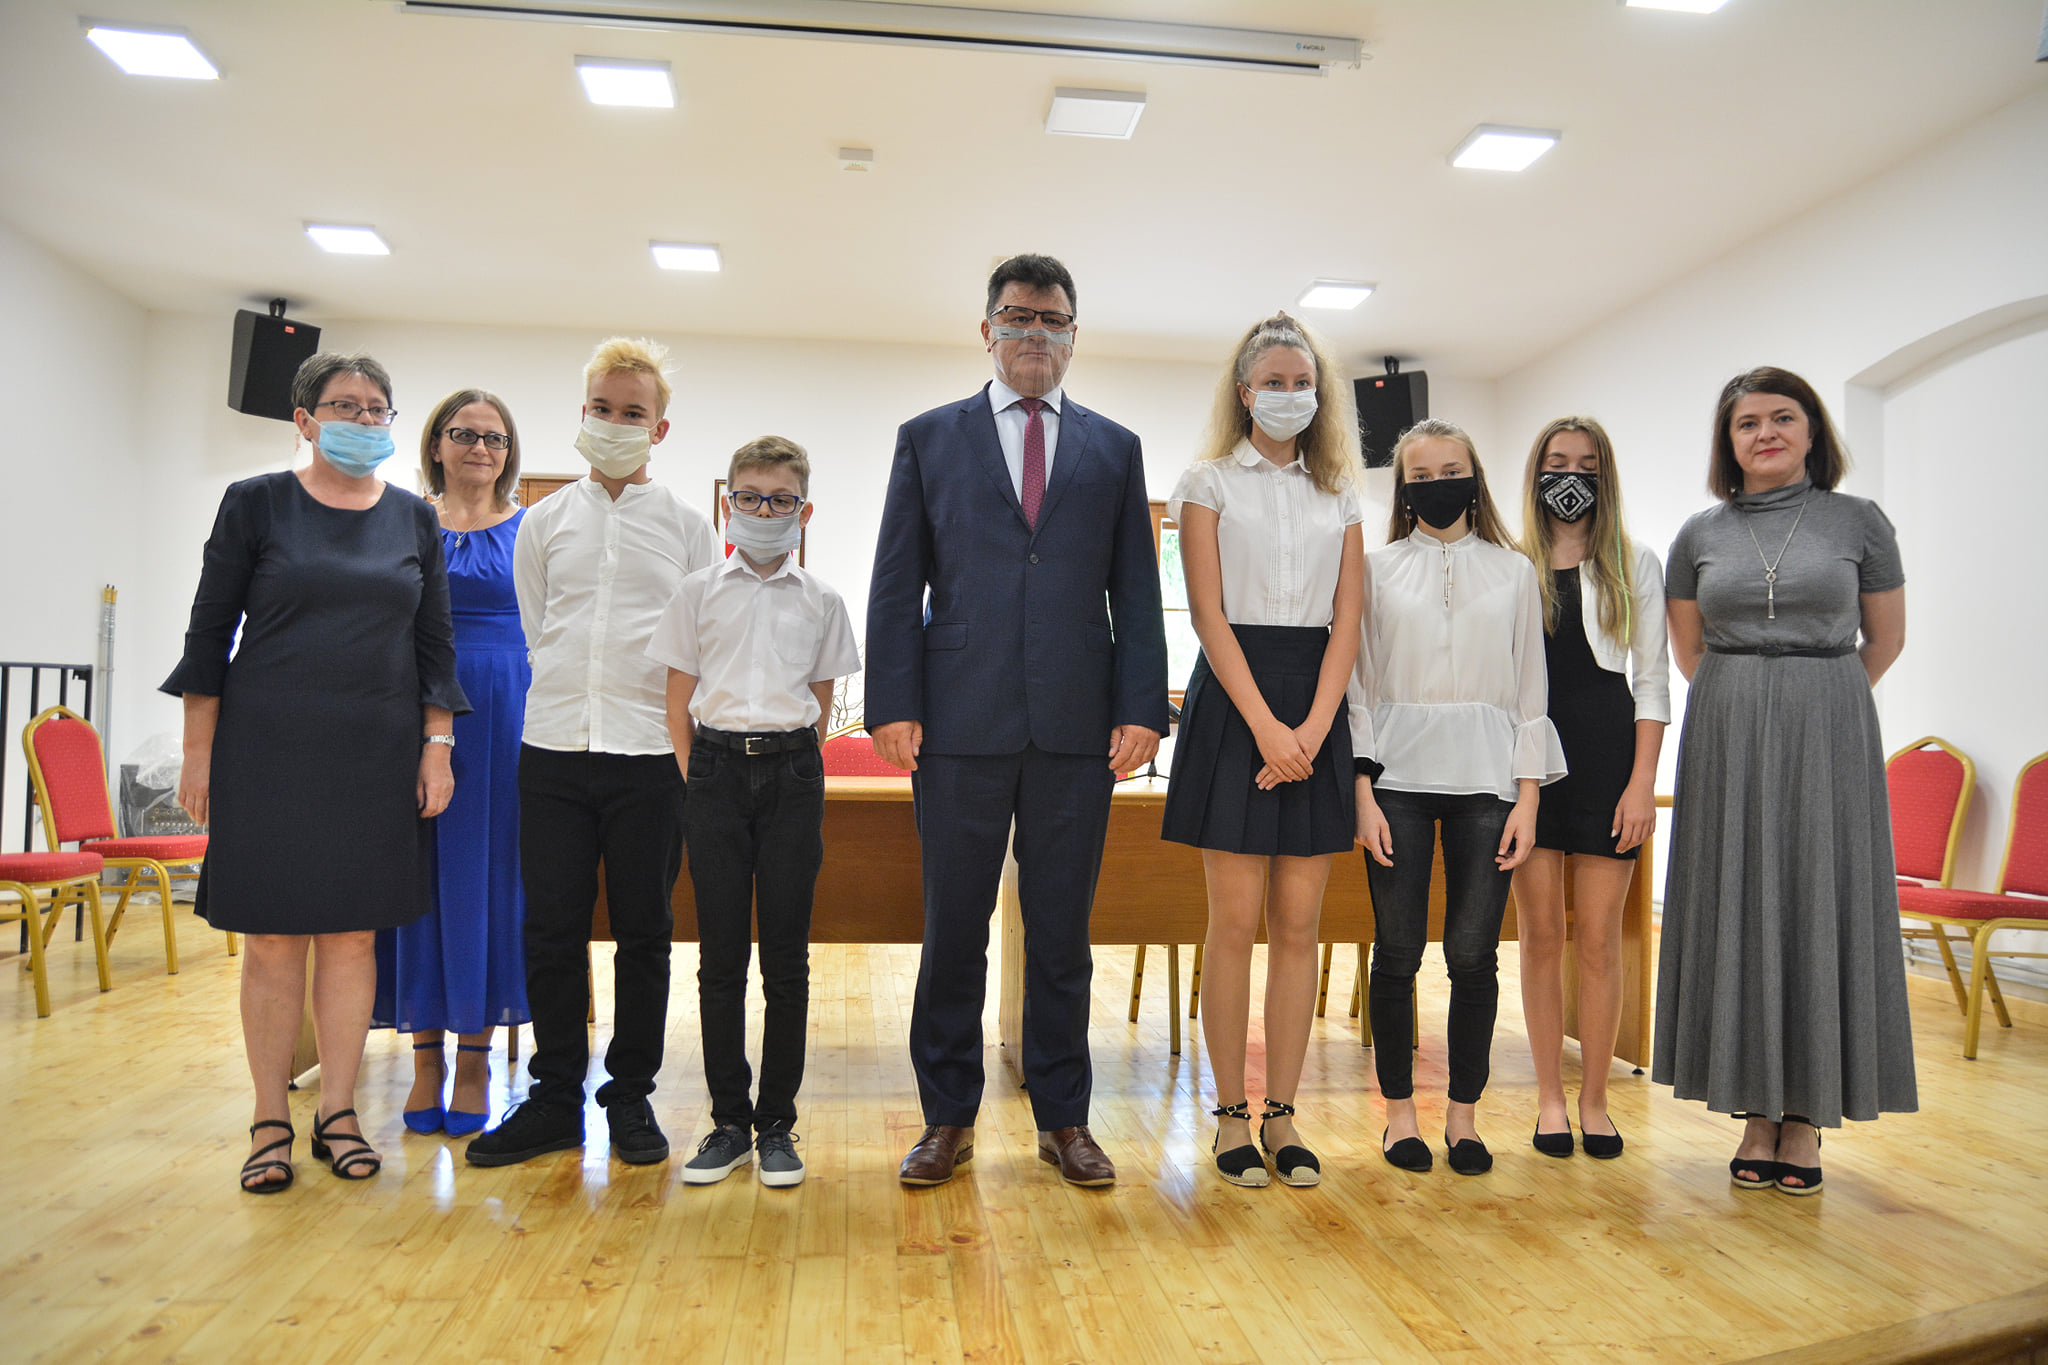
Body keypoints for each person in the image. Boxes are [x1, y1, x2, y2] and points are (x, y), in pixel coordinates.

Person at [867, 254, 1169, 1188]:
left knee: (1061, 933)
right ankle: (946, 1117)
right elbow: (896, 581)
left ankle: (1064, 1116)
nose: (1034, 333)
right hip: (958, 722)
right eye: (1017, 316)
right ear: (987, 328)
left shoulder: (1114, 449)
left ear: (1074, 335)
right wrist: (893, 703)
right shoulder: (929, 438)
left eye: (1052, 319)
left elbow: (1137, 589)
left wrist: (1141, 707)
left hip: (1077, 727)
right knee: (953, 928)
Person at [166, 351, 468, 1192]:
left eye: (378, 409)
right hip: (267, 749)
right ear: (304, 419)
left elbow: (435, 644)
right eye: (345, 406)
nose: (365, 420)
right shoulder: (255, 502)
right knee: (272, 940)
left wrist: (437, 745)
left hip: (376, 751)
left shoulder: (413, 519)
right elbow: (208, 634)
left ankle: (338, 1111)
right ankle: (270, 1115)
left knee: (352, 935)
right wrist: (198, 754)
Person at [1655, 367, 1914, 1195]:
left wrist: (1816, 701)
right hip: (1727, 726)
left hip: (1830, 724)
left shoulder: (1859, 521)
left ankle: (1802, 1116)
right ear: (1727, 441)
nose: (1764, 432)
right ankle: (1754, 1111)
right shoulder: (1699, 533)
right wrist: (1753, 701)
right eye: (1747, 422)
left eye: (1782, 417)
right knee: (1738, 903)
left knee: (1815, 900)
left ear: (1812, 431)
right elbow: (1689, 650)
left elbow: (1886, 639)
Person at [465, 337, 721, 1169]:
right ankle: (553, 1099)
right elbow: (540, 628)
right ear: (583, 412)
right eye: (602, 408)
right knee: (551, 929)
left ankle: (631, 1096)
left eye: (632, 412)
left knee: (645, 933)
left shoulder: (689, 530)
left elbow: (698, 646)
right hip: (553, 749)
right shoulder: (542, 522)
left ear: (659, 428)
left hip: (650, 755)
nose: (614, 422)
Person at [1161, 314, 1365, 1188]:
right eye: (1274, 381)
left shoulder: (1341, 493)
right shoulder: (1206, 481)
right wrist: (1268, 730)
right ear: (1245, 392)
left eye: (1302, 381)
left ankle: (1283, 1115)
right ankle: (1231, 1116)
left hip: (1316, 702)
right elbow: (1208, 617)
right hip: (1234, 700)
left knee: (1299, 925)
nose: (1289, 394)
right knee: (1234, 924)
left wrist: (1312, 730)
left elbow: (1349, 620)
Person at [1350, 418, 1566, 1176]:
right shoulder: (1375, 569)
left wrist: (1529, 798)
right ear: (1403, 488)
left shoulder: (1514, 571)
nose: (1436, 483)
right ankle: (1400, 1115)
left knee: (1473, 956)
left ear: (1474, 479)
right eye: (1420, 474)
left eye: (1451, 470)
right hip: (1396, 783)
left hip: (1489, 783)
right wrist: (1361, 791)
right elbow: (1358, 686)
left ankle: (1464, 1119)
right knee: (1398, 952)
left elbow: (1532, 689)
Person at [649, 435, 861, 1189]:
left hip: (792, 773)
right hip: (713, 772)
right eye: (749, 498)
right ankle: (729, 1123)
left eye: (780, 500)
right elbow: (678, 698)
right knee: (720, 959)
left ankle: (776, 1124)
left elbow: (821, 703)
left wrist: (790, 762)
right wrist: (697, 779)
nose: (763, 512)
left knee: (786, 957)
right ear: (727, 504)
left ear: (804, 511)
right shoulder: (697, 591)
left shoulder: (822, 600)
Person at [374, 388, 531, 1138]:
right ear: (436, 443)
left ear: (509, 452)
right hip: (409, 709)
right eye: (465, 434)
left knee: (487, 879)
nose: (480, 448)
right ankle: (424, 1058)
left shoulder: (531, 529)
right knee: (416, 879)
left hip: (503, 712)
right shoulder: (402, 521)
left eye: (495, 438)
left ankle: (474, 1058)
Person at [1510, 417, 1669, 1161]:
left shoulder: (1635, 563)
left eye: (1586, 463)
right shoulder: (1512, 564)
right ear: (1536, 472)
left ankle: (1596, 1099)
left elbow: (1652, 682)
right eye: (1557, 461)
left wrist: (1643, 784)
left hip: (1609, 762)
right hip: (1531, 765)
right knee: (1541, 935)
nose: (1570, 476)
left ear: (1605, 476)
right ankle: (1549, 1097)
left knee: (1601, 939)